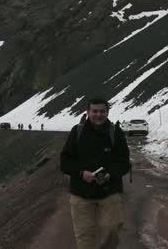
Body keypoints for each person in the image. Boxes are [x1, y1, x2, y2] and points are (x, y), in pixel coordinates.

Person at [61, 98, 130, 249]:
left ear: (107, 112)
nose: (98, 114)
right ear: (88, 112)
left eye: (102, 111)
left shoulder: (115, 132)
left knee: (112, 232)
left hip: (110, 192)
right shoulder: (77, 131)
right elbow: (65, 161)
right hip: (81, 194)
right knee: (85, 238)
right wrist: (81, 173)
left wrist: (110, 174)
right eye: (95, 111)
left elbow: (125, 162)